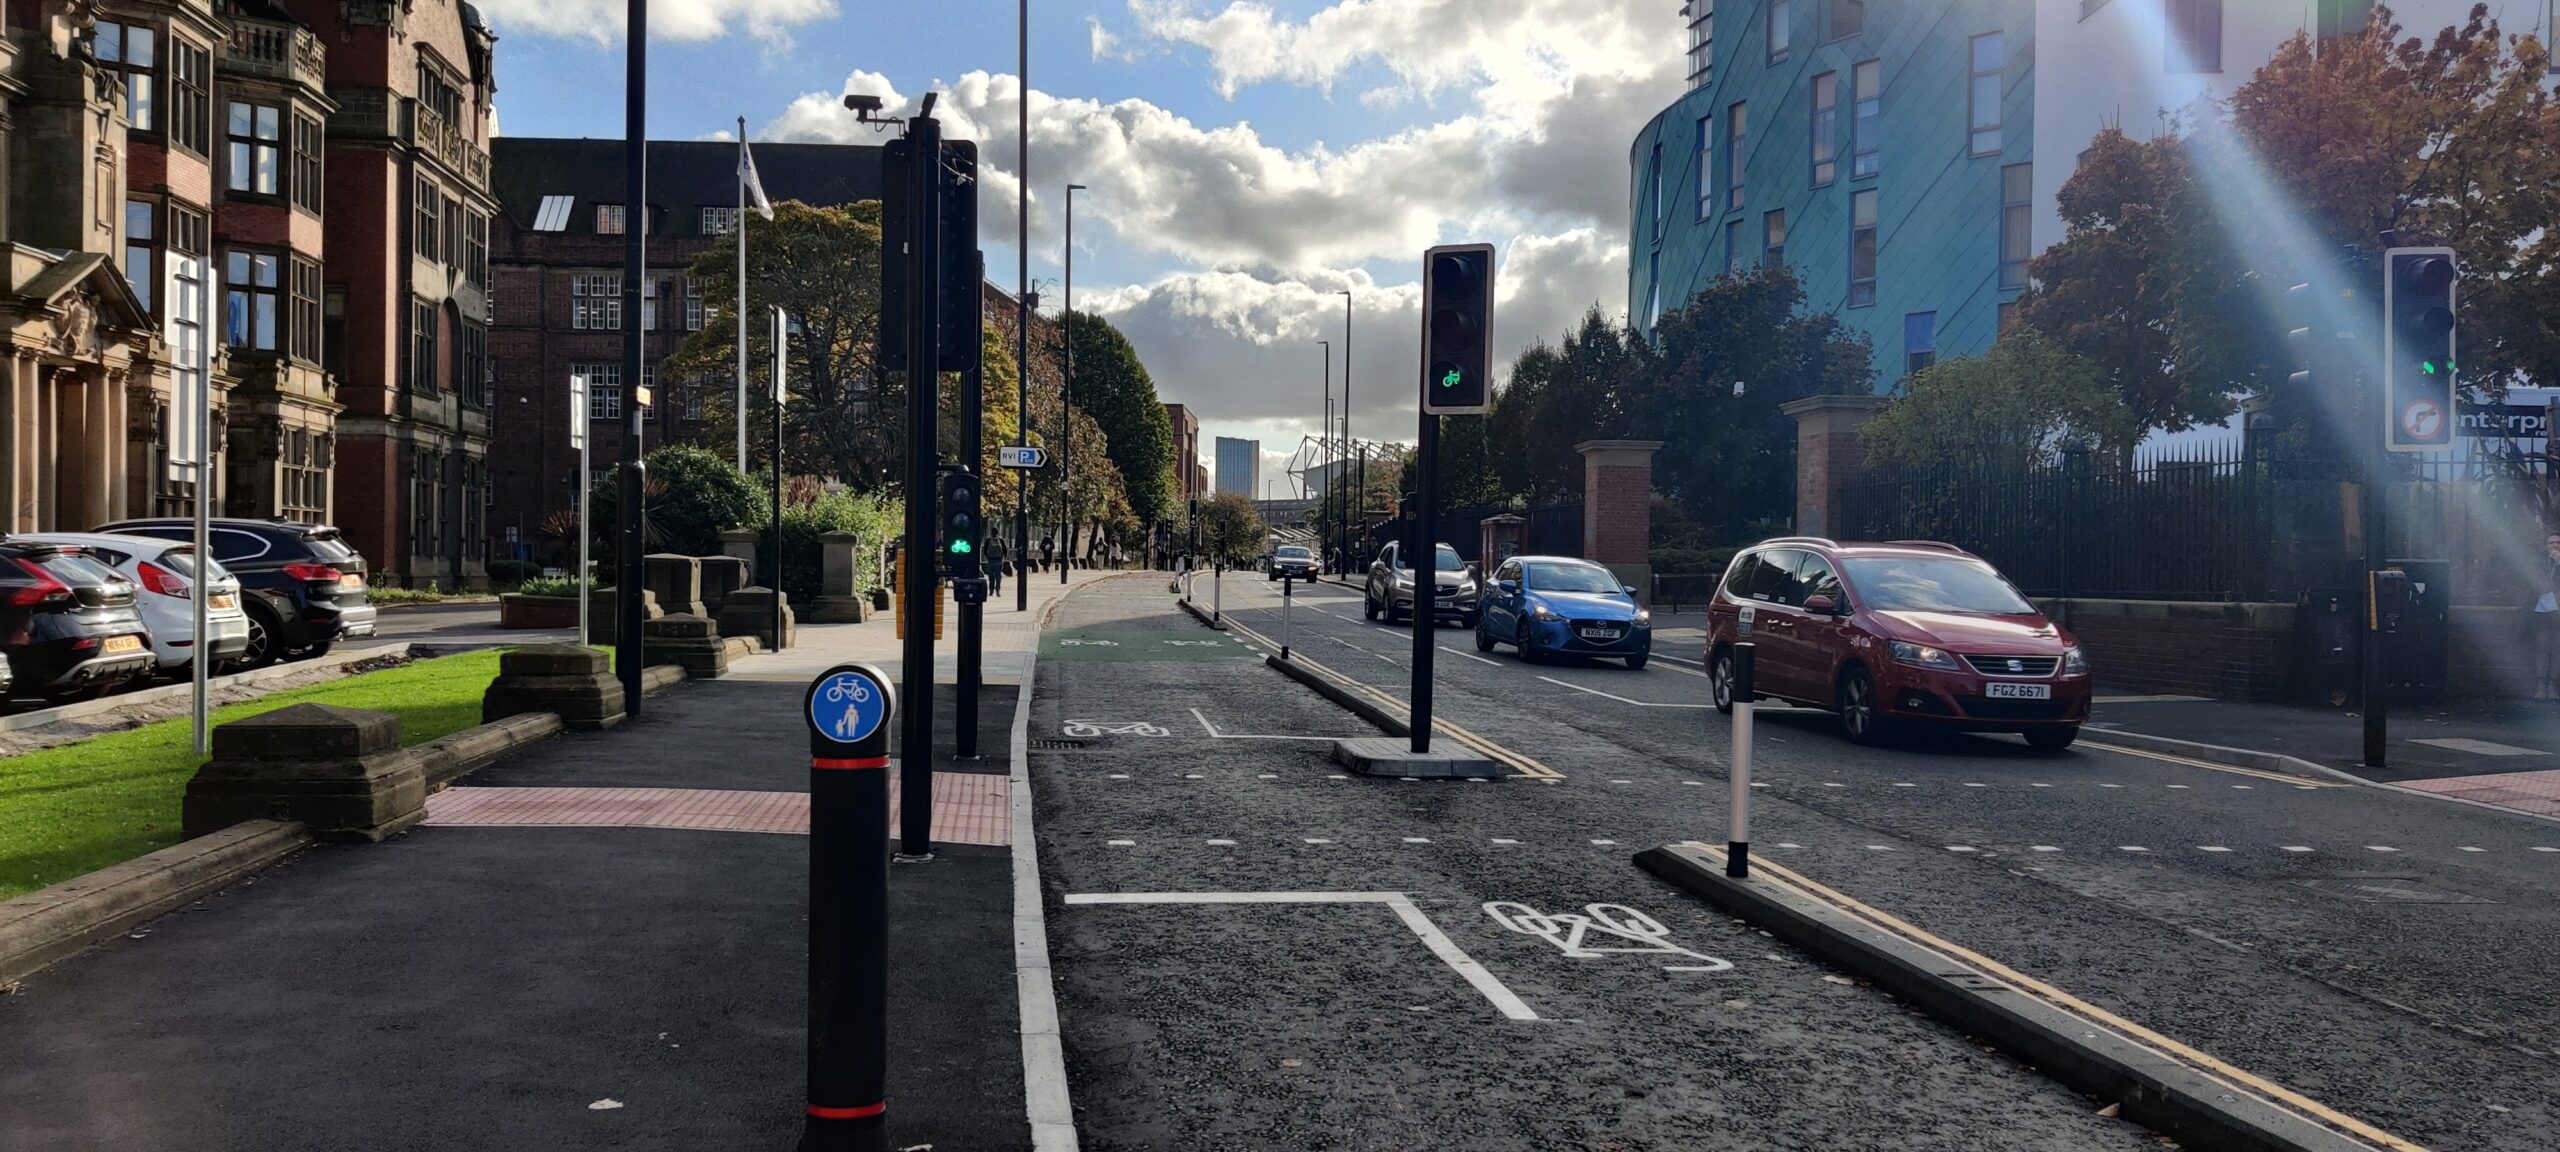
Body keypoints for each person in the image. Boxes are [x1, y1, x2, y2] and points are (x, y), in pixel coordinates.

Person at [2535, 531, 2560, 699]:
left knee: (2557, 649)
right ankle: (2540, 685)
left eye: (2558, 543)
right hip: (2543, 612)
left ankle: (2553, 685)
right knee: (2542, 649)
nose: (2555, 546)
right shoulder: (2539, 562)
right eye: (2552, 543)